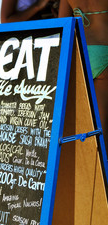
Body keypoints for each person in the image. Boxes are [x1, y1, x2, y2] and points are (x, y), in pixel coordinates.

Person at [59, 0, 108, 145]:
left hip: (80, 51)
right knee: (102, 124)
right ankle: (103, 164)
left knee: (80, 121)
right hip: (104, 50)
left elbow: (63, 24)